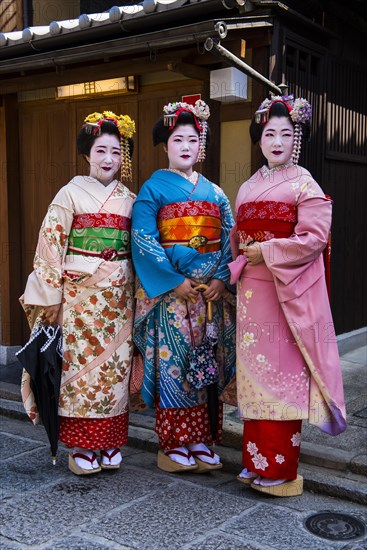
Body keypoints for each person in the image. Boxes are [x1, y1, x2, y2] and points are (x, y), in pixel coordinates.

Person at [229, 94, 346, 496]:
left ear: (296, 137)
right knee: (254, 379)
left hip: (284, 294)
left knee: (281, 380)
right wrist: (241, 261)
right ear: (258, 139)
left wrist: (267, 251)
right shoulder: (248, 186)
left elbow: (313, 237)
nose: (276, 140)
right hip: (251, 295)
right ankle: (255, 462)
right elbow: (238, 236)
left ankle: (280, 468)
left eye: (285, 133)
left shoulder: (305, 183)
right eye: (268, 133)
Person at [20, 110, 136, 475]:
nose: (108, 160)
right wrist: (51, 297)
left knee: (114, 372)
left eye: (116, 152)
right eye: (101, 151)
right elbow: (50, 246)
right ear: (87, 154)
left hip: (118, 299)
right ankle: (82, 446)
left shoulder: (129, 198)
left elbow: (137, 246)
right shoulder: (69, 194)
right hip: (77, 299)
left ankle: (110, 442)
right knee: (79, 373)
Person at [131, 99, 236, 473]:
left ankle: (201, 438)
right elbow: (142, 237)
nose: (186, 147)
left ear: (200, 145)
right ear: (166, 146)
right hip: (172, 297)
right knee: (174, 365)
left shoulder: (216, 193)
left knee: (206, 364)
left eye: (192, 139)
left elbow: (229, 239)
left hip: (207, 296)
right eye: (178, 140)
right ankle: (173, 441)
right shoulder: (153, 188)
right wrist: (174, 281)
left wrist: (222, 279)